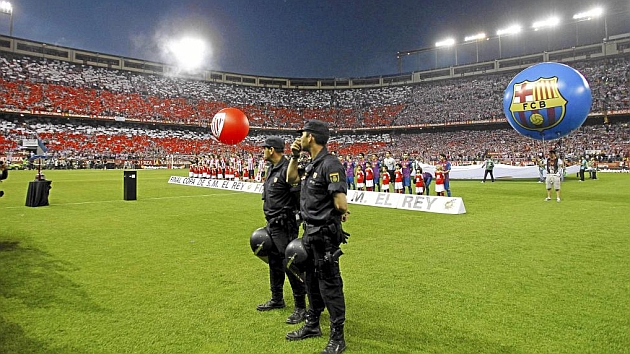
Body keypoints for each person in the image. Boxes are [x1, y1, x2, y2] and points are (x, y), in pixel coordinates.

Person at [287, 120, 349, 354]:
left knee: (330, 284)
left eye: (302, 134)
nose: (300, 138)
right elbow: (290, 179)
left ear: (310, 137)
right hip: (309, 233)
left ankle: (337, 337)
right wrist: (293, 156)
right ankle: (313, 324)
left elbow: (341, 203)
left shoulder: (330, 164)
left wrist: (339, 213)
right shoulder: (311, 163)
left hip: (324, 235)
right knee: (311, 281)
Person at [258, 137, 307, 325]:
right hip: (272, 223)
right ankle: (277, 298)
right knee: (274, 262)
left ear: (272, 150)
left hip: (284, 224)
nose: (262, 151)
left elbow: (299, 196)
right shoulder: (272, 168)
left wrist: (296, 218)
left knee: (291, 264)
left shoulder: (289, 168)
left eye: (264, 148)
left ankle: (301, 307)